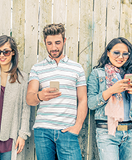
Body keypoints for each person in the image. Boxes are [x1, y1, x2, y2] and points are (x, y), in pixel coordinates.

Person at [26, 23, 87, 160]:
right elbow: (30, 98)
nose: (54, 47)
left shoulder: (77, 68)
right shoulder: (37, 68)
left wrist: (77, 126)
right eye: (50, 43)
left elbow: (83, 100)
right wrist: (40, 96)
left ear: (64, 41)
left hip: (68, 130)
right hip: (43, 131)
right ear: (44, 43)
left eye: (58, 42)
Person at [87, 37, 132, 160]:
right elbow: (91, 104)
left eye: (125, 54)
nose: (120, 57)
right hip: (107, 131)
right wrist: (111, 90)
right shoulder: (97, 74)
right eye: (116, 52)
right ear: (108, 53)